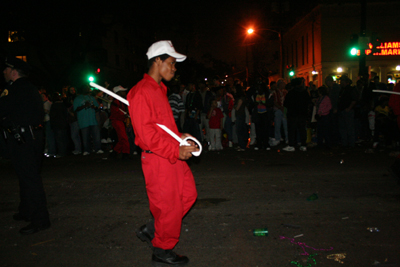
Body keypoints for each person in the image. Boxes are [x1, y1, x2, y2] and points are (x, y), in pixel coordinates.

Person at [127, 40, 199, 266]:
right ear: (157, 61)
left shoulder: (160, 89)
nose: (174, 68)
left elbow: (162, 127)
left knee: (188, 196)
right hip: (158, 159)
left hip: (171, 155)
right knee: (169, 207)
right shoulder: (140, 92)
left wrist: (181, 136)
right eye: (171, 63)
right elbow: (145, 135)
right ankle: (162, 250)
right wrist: (175, 149)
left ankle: (153, 229)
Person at [0, 57, 50, 234]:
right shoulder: (30, 88)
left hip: (22, 137)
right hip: (33, 135)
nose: (4, 72)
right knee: (28, 176)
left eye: (6, 69)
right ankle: (26, 210)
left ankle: (40, 219)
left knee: (29, 178)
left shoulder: (13, 89)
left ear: (14, 72)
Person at [73, 85, 104, 155]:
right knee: (85, 137)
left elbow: (96, 108)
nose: (88, 90)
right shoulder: (78, 98)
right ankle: (86, 150)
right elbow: (75, 109)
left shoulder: (92, 98)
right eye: (86, 88)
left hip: (93, 120)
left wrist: (95, 107)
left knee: (96, 136)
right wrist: (84, 106)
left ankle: (98, 149)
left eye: (88, 88)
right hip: (83, 121)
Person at [283, 78, 311, 152]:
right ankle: (303, 144)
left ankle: (291, 145)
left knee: (292, 130)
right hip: (302, 113)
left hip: (293, 114)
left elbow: (286, 104)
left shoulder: (291, 93)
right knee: (302, 129)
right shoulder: (304, 92)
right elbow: (308, 102)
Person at [109, 85, 131, 159]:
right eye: (123, 91)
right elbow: (116, 113)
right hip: (117, 121)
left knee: (122, 138)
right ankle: (125, 153)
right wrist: (125, 115)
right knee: (124, 138)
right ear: (118, 93)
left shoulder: (120, 101)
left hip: (120, 121)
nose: (125, 92)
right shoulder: (116, 102)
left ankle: (115, 152)